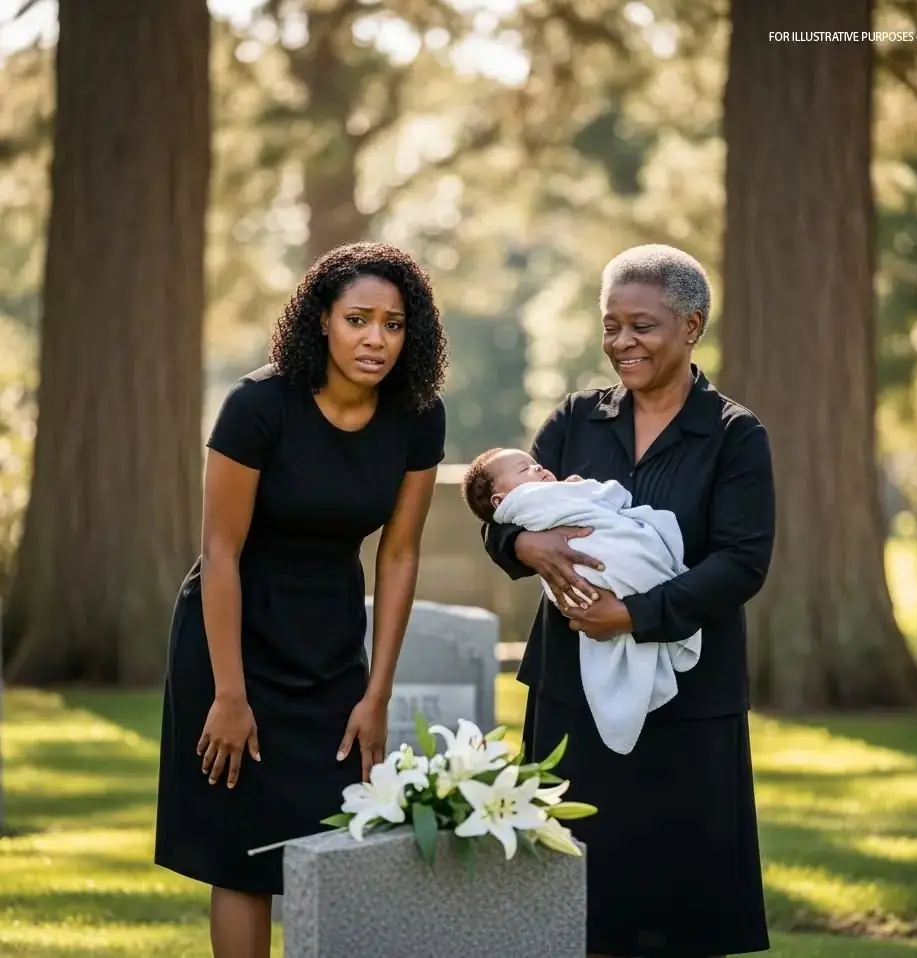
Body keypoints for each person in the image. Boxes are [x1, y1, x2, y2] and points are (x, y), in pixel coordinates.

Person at [154, 242, 448, 958]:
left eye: (393, 323)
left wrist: (378, 693)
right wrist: (229, 695)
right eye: (358, 320)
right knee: (242, 858)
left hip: (329, 645)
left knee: (336, 840)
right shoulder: (259, 407)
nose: (376, 338)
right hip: (233, 638)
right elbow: (221, 553)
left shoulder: (417, 415)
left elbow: (401, 554)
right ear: (321, 321)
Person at [481, 244, 775, 958]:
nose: (621, 342)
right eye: (610, 325)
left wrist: (634, 617)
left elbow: (742, 563)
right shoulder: (578, 418)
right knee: (577, 902)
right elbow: (506, 512)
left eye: (641, 326)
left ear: (692, 325)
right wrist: (525, 549)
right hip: (569, 695)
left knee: (684, 908)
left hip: (690, 706)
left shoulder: (735, 436)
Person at [461, 448, 702, 755]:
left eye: (537, 464)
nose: (540, 470)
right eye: (527, 470)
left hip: (634, 566)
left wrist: (581, 492)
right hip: (566, 669)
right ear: (501, 500)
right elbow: (496, 530)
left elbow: (605, 503)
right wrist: (522, 541)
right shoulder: (570, 422)